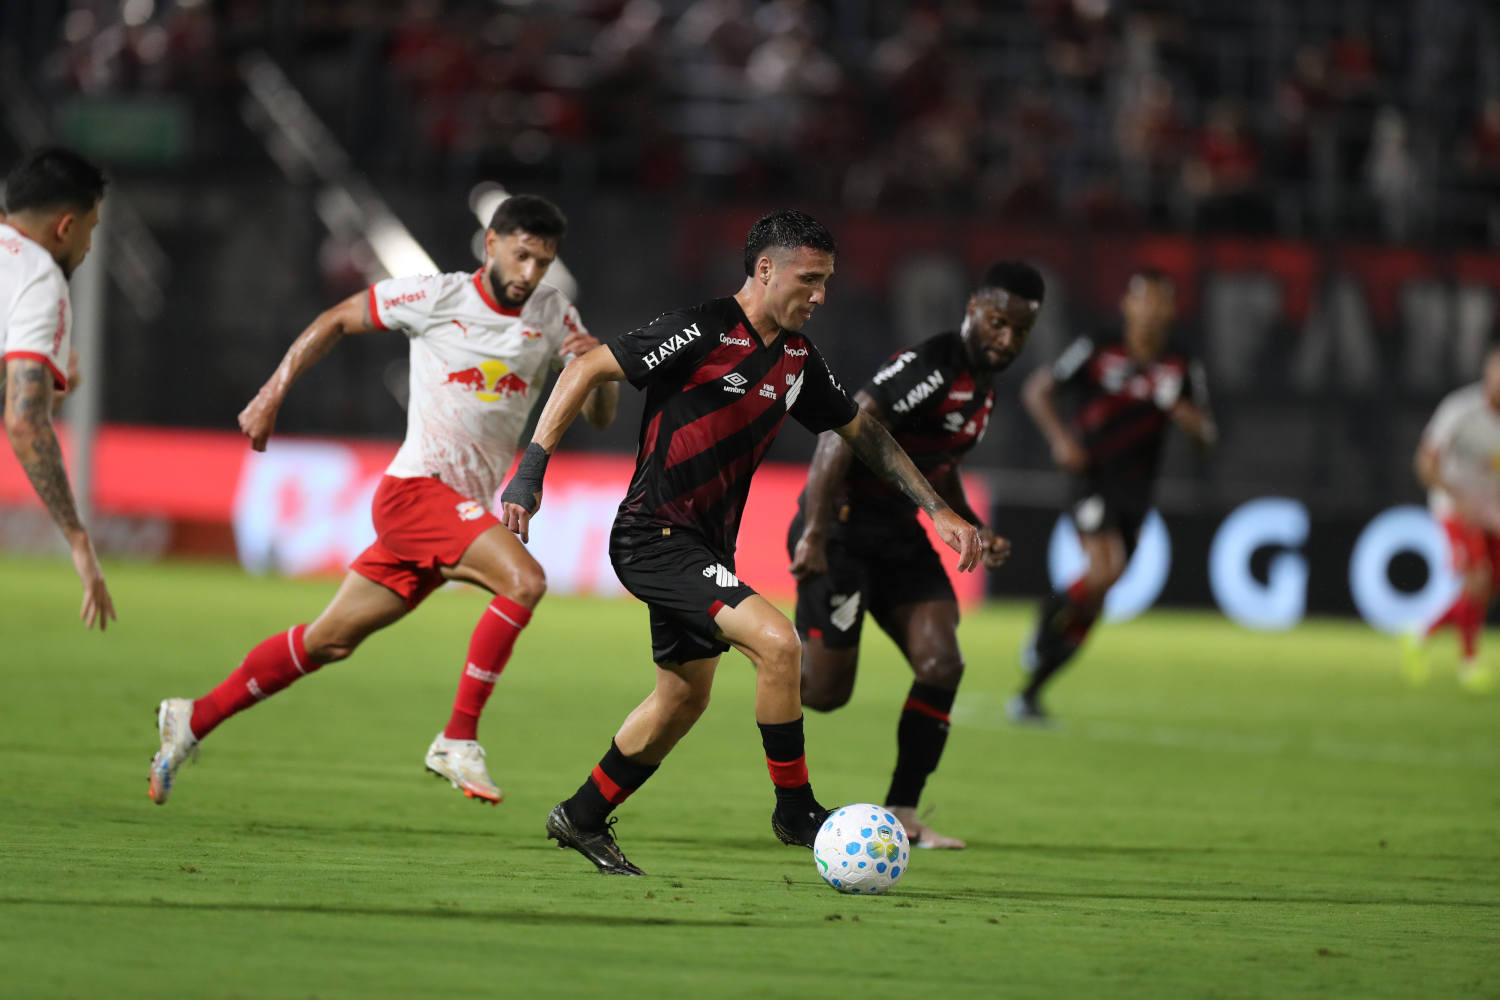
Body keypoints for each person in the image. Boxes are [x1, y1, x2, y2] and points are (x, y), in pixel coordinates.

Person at [499, 209, 983, 875]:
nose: (820, 295)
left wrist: (940, 510)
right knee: (778, 644)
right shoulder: (700, 330)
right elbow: (585, 370)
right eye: (809, 280)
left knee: (682, 698)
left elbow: (864, 433)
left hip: (705, 548)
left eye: (827, 283)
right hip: (654, 536)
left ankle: (581, 816)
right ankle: (796, 810)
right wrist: (528, 475)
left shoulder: (796, 359)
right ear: (764, 270)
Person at [148, 195, 617, 805]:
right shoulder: (437, 296)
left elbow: (601, 413)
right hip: (417, 492)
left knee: (329, 641)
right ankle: (457, 738)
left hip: (456, 507)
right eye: (522, 255)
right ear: (492, 245)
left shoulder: (555, 311)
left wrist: (594, 370)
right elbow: (336, 319)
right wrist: (271, 393)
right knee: (524, 582)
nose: (530, 272)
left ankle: (193, 717)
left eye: (543, 260)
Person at [787, 260, 1045, 849]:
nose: (1006, 339)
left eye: (1020, 332)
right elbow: (839, 432)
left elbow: (940, 464)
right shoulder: (931, 366)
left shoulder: (983, 387)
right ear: (974, 306)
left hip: (898, 536)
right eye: (998, 323)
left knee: (942, 665)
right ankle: (762, 649)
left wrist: (969, 524)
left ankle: (903, 811)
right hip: (845, 532)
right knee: (824, 695)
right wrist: (817, 531)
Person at [1011, 267, 1214, 722]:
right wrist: (1062, 440)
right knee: (1108, 568)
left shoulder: (1181, 361)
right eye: (1143, 300)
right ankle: (1046, 620)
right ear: (1128, 303)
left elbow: (1207, 434)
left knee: (1101, 597)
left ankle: (1031, 691)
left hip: (1137, 491)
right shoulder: (1099, 345)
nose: (1151, 310)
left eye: (1161, 302)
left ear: (1170, 309)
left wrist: (1182, 413)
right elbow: (1038, 389)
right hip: (1093, 477)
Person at [0, 147, 113, 631]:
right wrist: (78, 538)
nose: (88, 246)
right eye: (90, 229)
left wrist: (46, 389)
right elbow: (24, 422)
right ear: (65, 227)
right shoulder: (39, 278)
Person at [1402, 346, 1500, 693]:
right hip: (1456, 507)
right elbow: (1425, 463)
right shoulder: (1460, 410)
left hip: (1493, 511)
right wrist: (1459, 499)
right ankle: (1469, 663)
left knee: (1485, 589)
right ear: (1487, 374)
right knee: (1477, 579)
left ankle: (1422, 634)